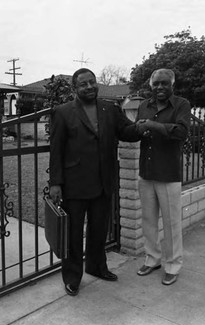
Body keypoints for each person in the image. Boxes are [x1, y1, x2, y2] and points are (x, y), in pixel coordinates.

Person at [49, 68, 140, 296]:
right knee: (73, 235)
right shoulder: (62, 112)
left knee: (99, 230)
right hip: (75, 184)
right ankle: (72, 277)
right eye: (83, 84)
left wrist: (144, 126)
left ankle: (97, 267)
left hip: (103, 181)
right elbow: (56, 150)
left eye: (92, 82)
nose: (89, 87)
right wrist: (55, 183)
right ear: (75, 89)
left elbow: (126, 131)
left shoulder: (110, 109)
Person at [134, 68, 191, 285]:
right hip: (146, 172)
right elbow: (139, 130)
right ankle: (153, 258)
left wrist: (152, 126)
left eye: (164, 83)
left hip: (168, 173)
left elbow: (181, 132)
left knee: (171, 223)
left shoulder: (181, 105)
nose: (160, 87)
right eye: (156, 83)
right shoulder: (143, 106)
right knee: (148, 220)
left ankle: (173, 264)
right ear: (151, 85)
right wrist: (140, 130)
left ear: (172, 85)